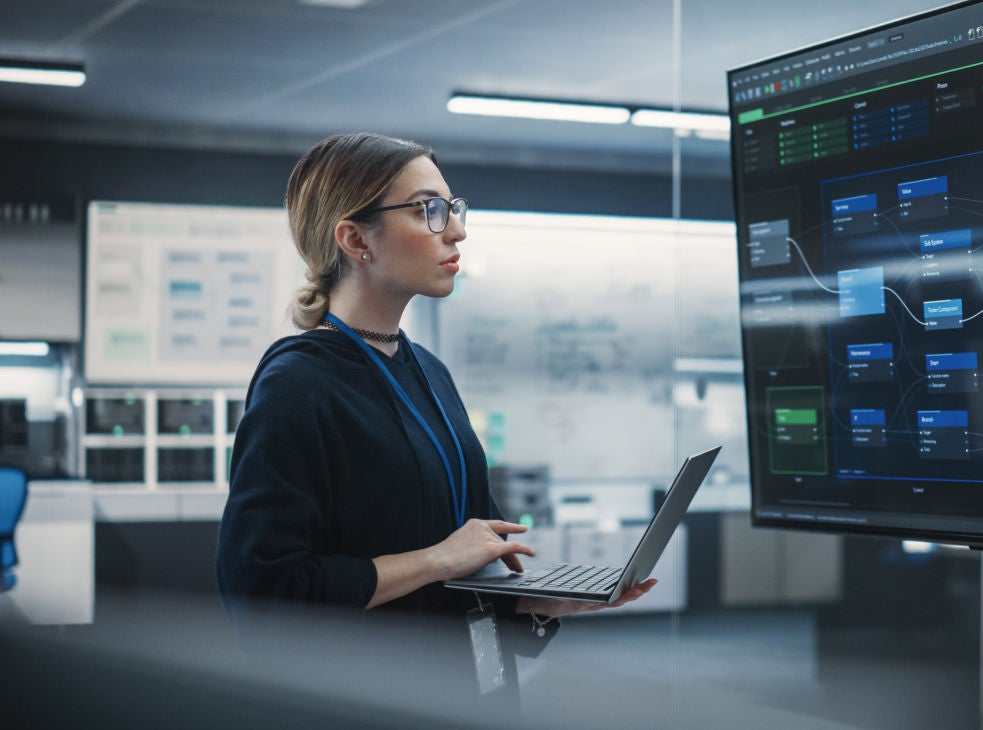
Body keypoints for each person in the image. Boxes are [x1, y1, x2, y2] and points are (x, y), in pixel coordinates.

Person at [215, 132, 655, 702]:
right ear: (355, 239)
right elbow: (262, 592)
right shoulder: (297, 384)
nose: (457, 230)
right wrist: (436, 560)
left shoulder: (428, 370)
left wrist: (534, 601)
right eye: (428, 210)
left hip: (470, 692)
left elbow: (469, 558)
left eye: (453, 208)